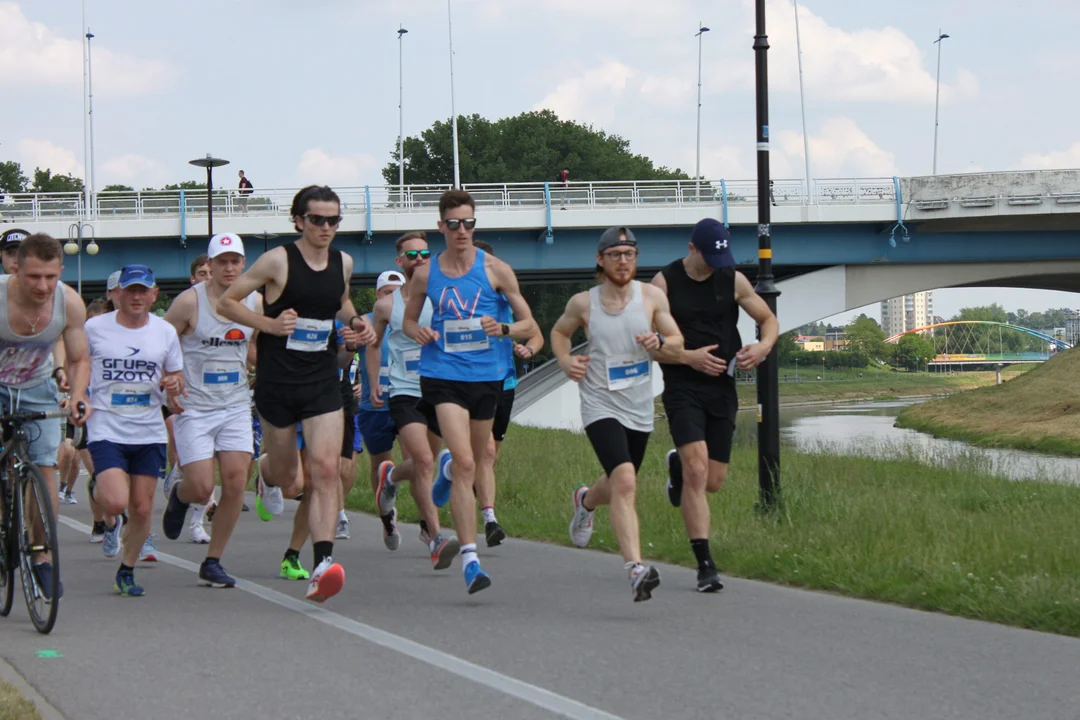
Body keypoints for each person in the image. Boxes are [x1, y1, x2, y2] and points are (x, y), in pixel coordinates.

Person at [218, 184, 376, 603]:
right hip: (277, 383)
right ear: (299, 221)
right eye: (318, 220)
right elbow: (228, 303)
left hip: (323, 378)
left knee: (325, 470)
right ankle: (265, 472)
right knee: (291, 479)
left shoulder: (343, 261)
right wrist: (268, 325)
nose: (326, 227)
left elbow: (339, 299)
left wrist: (358, 320)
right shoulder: (277, 261)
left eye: (334, 220)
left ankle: (322, 562)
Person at [403, 190, 539, 594]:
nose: (463, 231)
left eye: (470, 223)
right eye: (455, 224)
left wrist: (505, 329)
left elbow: (530, 322)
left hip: (487, 376)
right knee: (465, 462)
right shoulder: (426, 274)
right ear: (441, 226)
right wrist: (419, 331)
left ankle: (446, 471)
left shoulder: (496, 269)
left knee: (477, 458)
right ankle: (470, 559)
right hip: (442, 373)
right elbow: (410, 321)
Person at [552, 226, 684, 602]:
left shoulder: (652, 297)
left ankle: (586, 502)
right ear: (601, 259)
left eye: (629, 254)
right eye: (615, 255)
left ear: (636, 259)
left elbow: (676, 343)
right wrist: (565, 361)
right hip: (599, 402)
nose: (623, 261)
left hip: (638, 405)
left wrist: (659, 342)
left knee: (617, 481)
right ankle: (635, 569)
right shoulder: (584, 303)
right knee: (625, 480)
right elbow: (559, 333)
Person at [652, 218, 778, 592]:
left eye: (720, 259)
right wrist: (687, 357)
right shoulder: (664, 284)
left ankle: (675, 464)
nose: (714, 265)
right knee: (696, 469)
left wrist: (763, 346)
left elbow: (768, 319)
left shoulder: (732, 278)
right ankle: (705, 564)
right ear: (692, 248)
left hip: (722, 386)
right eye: (708, 258)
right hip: (682, 384)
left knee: (713, 481)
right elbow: (648, 342)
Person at [161, 233, 260, 587]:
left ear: (243, 264)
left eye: (235, 261)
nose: (229, 268)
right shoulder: (190, 302)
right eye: (222, 262)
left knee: (235, 481)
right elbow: (161, 343)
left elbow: (257, 344)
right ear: (212, 266)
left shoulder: (255, 302)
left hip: (234, 404)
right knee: (202, 488)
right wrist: (168, 380)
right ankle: (180, 496)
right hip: (195, 406)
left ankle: (214, 560)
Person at [0, 233, 91, 600]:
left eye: (50, 277)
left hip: (38, 388)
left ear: (60, 272)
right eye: (34, 276)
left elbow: (79, 357)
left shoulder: (68, 302)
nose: (43, 286)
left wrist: (79, 395)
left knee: (46, 466)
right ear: (15, 269)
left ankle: (42, 555)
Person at [85, 264, 183, 596]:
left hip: (148, 430)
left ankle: (126, 570)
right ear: (115, 294)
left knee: (141, 508)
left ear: (154, 294)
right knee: (115, 502)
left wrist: (173, 386)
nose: (137, 296)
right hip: (106, 425)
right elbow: (79, 365)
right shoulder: (94, 328)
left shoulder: (164, 331)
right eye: (130, 290)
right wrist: (77, 396)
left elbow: (176, 379)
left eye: (144, 290)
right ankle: (102, 501)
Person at [369, 234, 459, 569]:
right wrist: (375, 380)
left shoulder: (442, 297)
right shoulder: (386, 306)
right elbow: (374, 344)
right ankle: (435, 538)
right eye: (412, 254)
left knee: (426, 462)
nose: (420, 258)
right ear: (401, 262)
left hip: (438, 389)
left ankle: (389, 478)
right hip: (404, 391)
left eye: (425, 252)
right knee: (422, 461)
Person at [470, 240, 543, 546]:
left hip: (505, 382)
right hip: (468, 381)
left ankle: (458, 474)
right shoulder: (454, 295)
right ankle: (490, 519)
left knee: (490, 454)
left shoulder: (504, 295)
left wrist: (527, 347)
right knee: (485, 452)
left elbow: (534, 332)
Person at [354, 269, 405, 548]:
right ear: (377, 295)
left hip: (406, 399)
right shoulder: (366, 321)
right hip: (374, 405)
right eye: (388, 293)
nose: (393, 299)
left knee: (418, 460)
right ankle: (387, 519)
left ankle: (428, 525)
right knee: (381, 465)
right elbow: (349, 343)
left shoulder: (410, 321)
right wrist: (353, 340)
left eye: (399, 293)